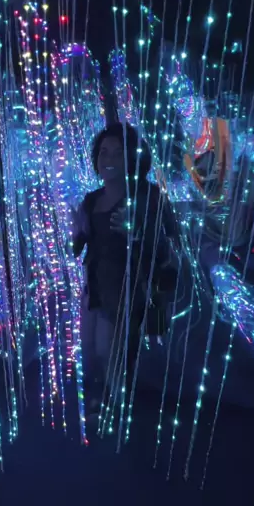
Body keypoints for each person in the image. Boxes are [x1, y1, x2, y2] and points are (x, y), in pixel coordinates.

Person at [72, 122, 177, 416]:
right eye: (104, 152)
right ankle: (107, 401)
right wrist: (76, 232)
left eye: (118, 153)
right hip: (94, 286)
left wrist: (136, 233)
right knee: (90, 351)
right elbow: (78, 246)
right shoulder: (92, 200)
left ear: (133, 158)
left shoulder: (148, 196)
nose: (109, 160)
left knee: (109, 352)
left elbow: (167, 245)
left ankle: (117, 409)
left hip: (127, 288)